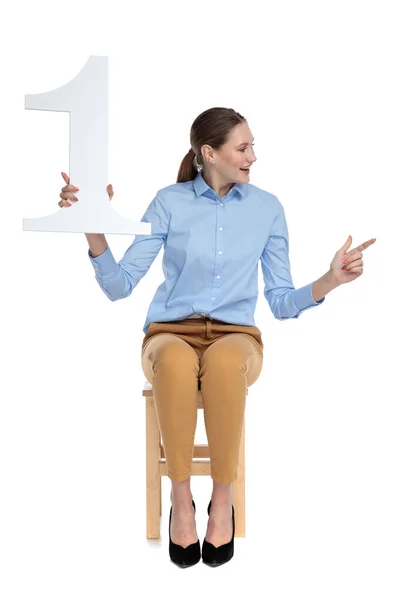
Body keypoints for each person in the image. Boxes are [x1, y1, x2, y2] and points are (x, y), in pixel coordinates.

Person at [58, 107, 376, 568]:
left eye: (252, 146)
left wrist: (330, 280)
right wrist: (90, 222)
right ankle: (182, 501)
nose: (253, 156)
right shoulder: (169, 202)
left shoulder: (268, 209)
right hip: (169, 333)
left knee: (226, 362)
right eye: (243, 148)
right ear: (209, 154)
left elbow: (282, 301)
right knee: (173, 359)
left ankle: (222, 499)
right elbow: (119, 286)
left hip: (237, 336)